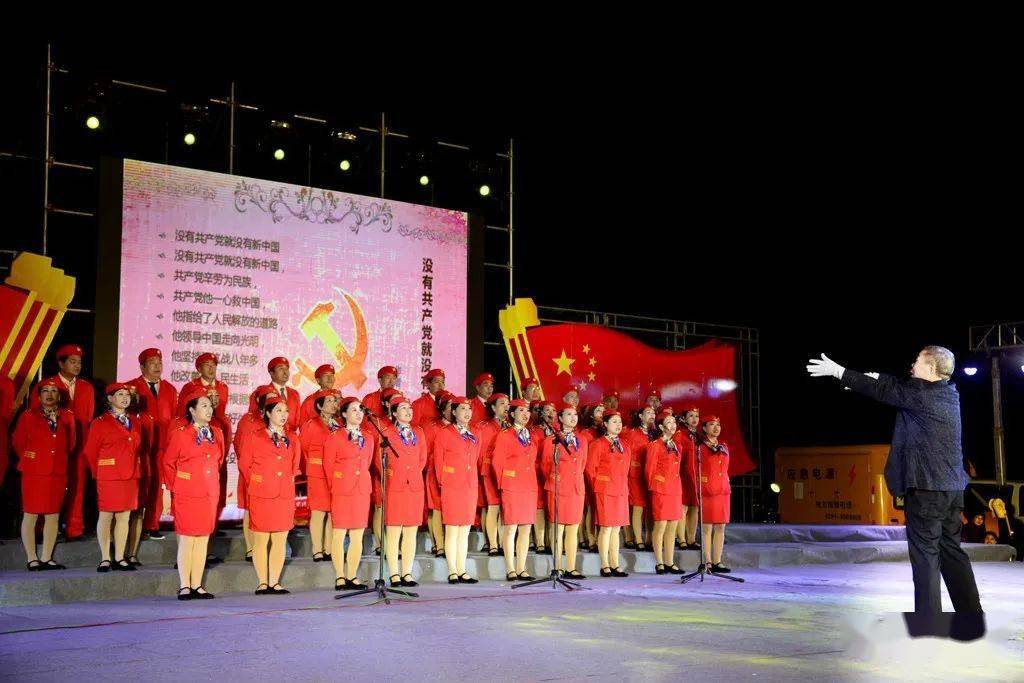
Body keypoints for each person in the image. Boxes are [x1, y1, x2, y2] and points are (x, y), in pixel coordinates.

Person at [807, 347, 983, 616]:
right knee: (950, 550)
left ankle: (928, 620)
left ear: (931, 369)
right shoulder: (949, 393)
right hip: (951, 489)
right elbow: (898, 386)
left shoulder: (921, 397)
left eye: (918, 361)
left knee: (925, 555)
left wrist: (840, 372)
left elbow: (887, 392)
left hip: (926, 489)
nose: (912, 364)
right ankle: (971, 615)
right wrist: (877, 376)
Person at [163, 387, 224, 600]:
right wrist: (177, 486)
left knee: (203, 539)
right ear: (192, 410)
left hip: (209, 492)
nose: (209, 410)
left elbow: (218, 460)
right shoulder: (181, 434)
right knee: (188, 539)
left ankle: (197, 585)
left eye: (210, 406)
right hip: (187, 493)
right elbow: (168, 463)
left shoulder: (217, 434)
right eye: (204, 406)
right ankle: (185, 585)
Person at [30, 344, 95, 542]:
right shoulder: (47, 385)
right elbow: (35, 416)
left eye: (79, 362)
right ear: (61, 363)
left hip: (80, 444)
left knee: (78, 486)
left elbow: (88, 417)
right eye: (72, 362)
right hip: (53, 446)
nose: (77, 366)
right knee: (48, 487)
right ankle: (42, 529)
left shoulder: (87, 387)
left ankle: (74, 529)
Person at [239, 395, 301, 595]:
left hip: (284, 494)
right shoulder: (255, 436)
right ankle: (263, 582)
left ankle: (275, 582)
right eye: (278, 411)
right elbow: (244, 465)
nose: (284, 415)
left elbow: (294, 466)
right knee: (261, 538)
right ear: (268, 413)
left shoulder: (293, 438)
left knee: (280, 538)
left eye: (286, 411)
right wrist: (258, 481)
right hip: (262, 494)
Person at [13, 379, 76, 570]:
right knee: (31, 514)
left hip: (57, 472)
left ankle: (47, 558)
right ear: (39, 396)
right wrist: (34, 457)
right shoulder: (28, 415)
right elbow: (18, 442)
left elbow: (71, 443)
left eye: (53, 391)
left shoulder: (67, 416)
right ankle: (32, 558)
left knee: (53, 515)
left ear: (59, 396)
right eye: (45, 391)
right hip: (34, 472)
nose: (49, 394)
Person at [83, 383, 143, 572]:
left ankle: (119, 557)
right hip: (109, 475)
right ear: (110, 399)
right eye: (120, 394)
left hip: (130, 475)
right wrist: (101, 471)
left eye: (127, 395)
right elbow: (90, 452)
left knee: (124, 517)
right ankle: (105, 558)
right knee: (106, 515)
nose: (125, 398)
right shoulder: (100, 422)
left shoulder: (135, 421)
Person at [324, 396, 376, 591]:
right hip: (342, 489)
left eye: (360, 410)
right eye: (354, 410)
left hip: (361, 490)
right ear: (344, 414)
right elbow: (328, 465)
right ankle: (340, 576)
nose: (358, 413)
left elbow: (367, 462)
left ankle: (352, 575)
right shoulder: (335, 436)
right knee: (339, 533)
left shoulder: (369, 437)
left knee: (357, 535)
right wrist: (339, 484)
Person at [126, 348, 178, 540]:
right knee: (139, 485)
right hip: (139, 446)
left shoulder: (170, 389)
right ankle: (133, 525)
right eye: (152, 363)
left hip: (162, 445)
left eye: (159, 362)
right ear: (142, 367)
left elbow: (174, 418)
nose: (157, 366)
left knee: (157, 485)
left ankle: (152, 525)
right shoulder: (131, 387)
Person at [380, 394, 427, 587]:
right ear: (394, 413)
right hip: (395, 486)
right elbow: (379, 460)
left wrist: (412, 473)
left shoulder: (419, 433)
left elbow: (422, 459)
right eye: (403, 408)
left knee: (410, 532)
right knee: (393, 532)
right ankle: (394, 573)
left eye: (410, 408)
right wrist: (394, 474)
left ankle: (407, 572)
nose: (408, 411)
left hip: (414, 487)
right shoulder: (387, 433)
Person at [432, 396, 480, 583]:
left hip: (469, 486)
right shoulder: (444, 433)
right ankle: (452, 570)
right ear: (453, 412)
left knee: (465, 531)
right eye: (462, 409)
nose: (467, 413)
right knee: (452, 530)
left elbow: (475, 459)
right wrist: (445, 482)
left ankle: (462, 570)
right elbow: (438, 462)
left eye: (469, 409)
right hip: (452, 486)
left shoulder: (475, 433)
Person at [539, 402, 588, 579]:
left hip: (576, 489)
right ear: (560, 418)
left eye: (575, 414)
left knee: (573, 529)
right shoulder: (551, 441)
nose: (573, 418)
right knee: (558, 529)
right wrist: (556, 479)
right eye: (568, 414)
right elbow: (545, 466)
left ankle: (571, 567)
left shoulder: (582, 440)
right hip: (558, 488)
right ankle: (558, 567)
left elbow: (582, 464)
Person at [585, 410, 630, 577]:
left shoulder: (624, 445)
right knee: (606, 528)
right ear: (605, 424)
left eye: (620, 422)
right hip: (605, 490)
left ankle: (615, 564)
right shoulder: (598, 444)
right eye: (614, 422)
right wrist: (599, 485)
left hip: (620, 489)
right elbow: (590, 469)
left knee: (616, 529)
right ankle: (604, 564)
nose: (618, 425)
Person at [298, 389, 340, 562]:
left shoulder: (339, 425)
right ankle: (317, 549)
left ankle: (329, 549)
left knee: (332, 512)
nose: (333, 404)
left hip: (335, 473)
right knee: (318, 511)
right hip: (317, 473)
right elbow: (303, 448)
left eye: (335, 401)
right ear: (320, 406)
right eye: (329, 401)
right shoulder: (310, 425)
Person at [645, 410, 684, 574]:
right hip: (661, 490)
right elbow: (649, 470)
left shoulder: (677, 446)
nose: (672, 425)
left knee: (672, 527)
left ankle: (670, 561)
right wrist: (655, 486)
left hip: (675, 490)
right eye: (668, 422)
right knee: (660, 526)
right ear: (661, 427)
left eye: (674, 422)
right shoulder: (655, 445)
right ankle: (659, 562)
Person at [475, 393, 509, 556]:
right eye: (502, 403)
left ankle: (502, 542)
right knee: (492, 506)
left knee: (504, 508)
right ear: (493, 407)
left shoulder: (510, 426)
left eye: (508, 403)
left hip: (507, 472)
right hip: (489, 470)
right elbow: (480, 453)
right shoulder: (483, 426)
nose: (506, 406)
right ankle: (492, 544)